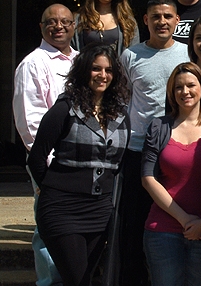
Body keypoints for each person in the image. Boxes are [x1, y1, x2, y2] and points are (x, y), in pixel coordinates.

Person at [27, 43, 130, 286]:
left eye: (108, 70)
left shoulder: (120, 113)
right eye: (96, 69)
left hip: (100, 212)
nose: (102, 76)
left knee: (86, 277)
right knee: (77, 279)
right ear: (84, 70)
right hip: (62, 210)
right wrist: (55, 188)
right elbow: (36, 158)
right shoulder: (64, 109)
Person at [119, 0, 189, 286]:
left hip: (178, 150)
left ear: (177, 21)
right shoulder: (130, 56)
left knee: (177, 216)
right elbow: (123, 100)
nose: (162, 21)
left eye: (168, 16)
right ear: (145, 20)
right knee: (135, 224)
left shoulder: (188, 53)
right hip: (138, 150)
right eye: (155, 16)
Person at [142, 62, 201, 286]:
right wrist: (185, 219)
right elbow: (148, 178)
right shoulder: (158, 128)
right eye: (178, 87)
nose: (185, 92)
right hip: (163, 231)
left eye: (191, 85)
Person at [13, 3, 79, 286]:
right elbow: (30, 123)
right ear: (42, 28)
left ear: (74, 27)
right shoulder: (32, 64)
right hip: (52, 163)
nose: (59, 26)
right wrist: (50, 164)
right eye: (51, 22)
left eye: (65, 21)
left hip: (81, 162)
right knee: (49, 228)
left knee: (75, 227)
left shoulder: (81, 61)